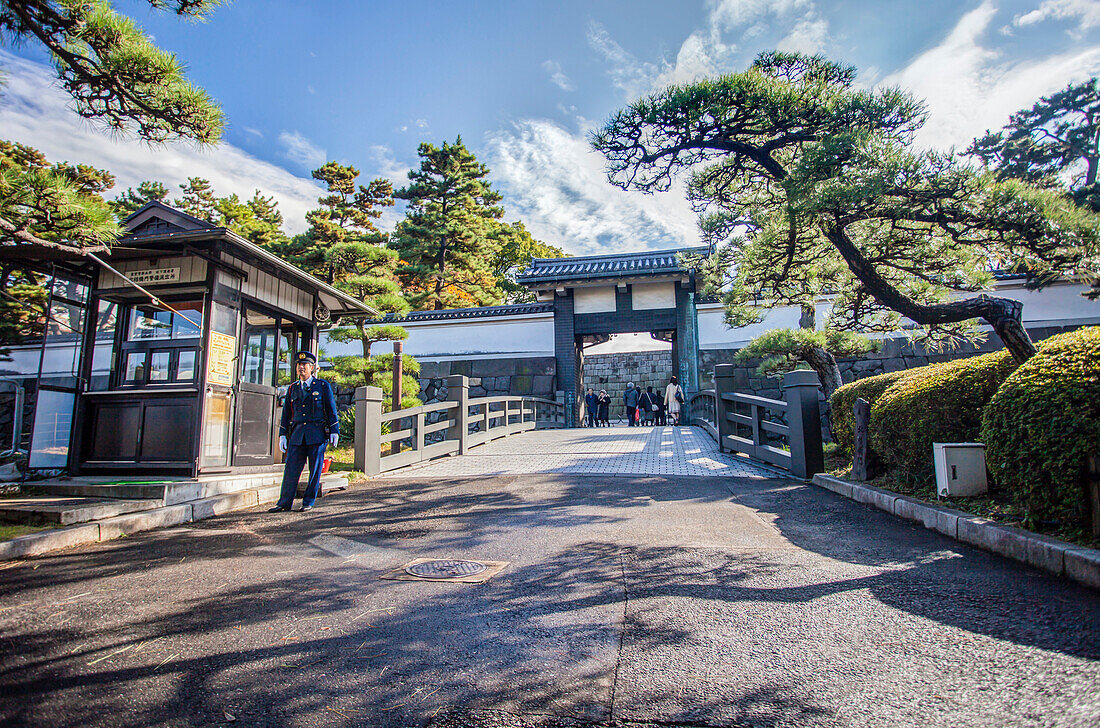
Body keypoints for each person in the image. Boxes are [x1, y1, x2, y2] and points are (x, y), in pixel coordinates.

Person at [269, 350, 339, 513]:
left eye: (305, 365)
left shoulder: (322, 386)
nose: (301, 368)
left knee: (314, 470)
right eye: (299, 365)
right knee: (291, 469)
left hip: (316, 434)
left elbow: (331, 409)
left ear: (312, 368)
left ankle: (308, 501)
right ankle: (284, 502)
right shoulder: (293, 388)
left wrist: (334, 430)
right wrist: (282, 435)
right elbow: (286, 413)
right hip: (297, 434)